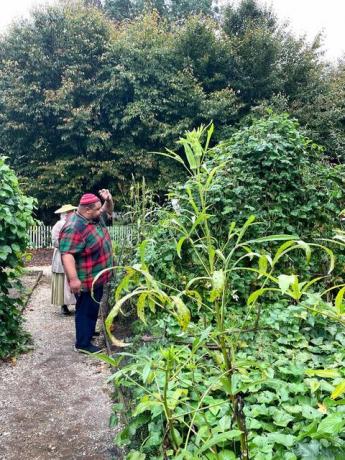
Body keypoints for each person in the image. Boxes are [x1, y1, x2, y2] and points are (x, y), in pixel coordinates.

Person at [59, 190, 114, 353]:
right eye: (98, 209)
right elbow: (67, 254)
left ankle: (88, 332)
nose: (101, 211)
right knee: (85, 309)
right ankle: (82, 344)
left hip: (97, 277)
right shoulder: (74, 227)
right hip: (86, 280)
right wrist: (73, 279)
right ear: (88, 210)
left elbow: (108, 210)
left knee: (92, 308)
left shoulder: (94, 218)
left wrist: (108, 200)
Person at [51, 204, 77, 316]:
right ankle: (63, 305)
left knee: (74, 278)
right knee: (62, 280)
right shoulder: (59, 225)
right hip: (61, 254)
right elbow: (55, 241)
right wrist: (67, 245)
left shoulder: (76, 223)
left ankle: (76, 304)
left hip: (75, 255)